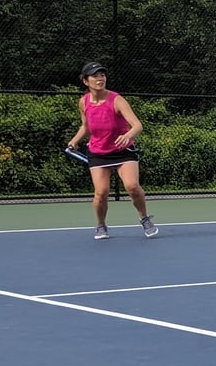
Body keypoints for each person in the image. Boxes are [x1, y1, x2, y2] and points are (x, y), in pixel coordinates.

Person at [67, 61, 158, 239]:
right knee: (101, 193)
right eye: (95, 75)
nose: (100, 78)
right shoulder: (83, 102)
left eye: (102, 75)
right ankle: (101, 225)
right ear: (86, 81)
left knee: (132, 186)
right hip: (98, 152)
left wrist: (128, 136)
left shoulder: (116, 99)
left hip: (123, 151)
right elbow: (85, 127)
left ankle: (144, 218)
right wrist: (75, 140)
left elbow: (137, 125)